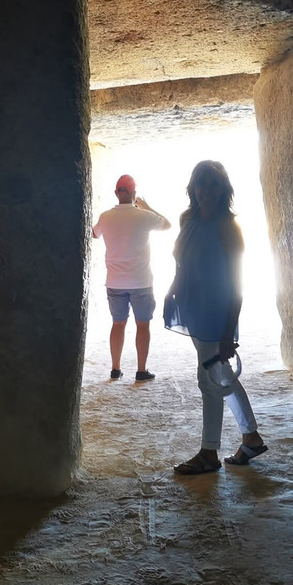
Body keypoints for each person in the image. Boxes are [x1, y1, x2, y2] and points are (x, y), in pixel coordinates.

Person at [163, 160, 267, 474]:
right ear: (193, 188)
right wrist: (170, 293)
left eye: (213, 185)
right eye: (202, 184)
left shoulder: (228, 227)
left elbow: (237, 283)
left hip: (215, 311)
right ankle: (251, 437)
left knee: (208, 380)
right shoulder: (187, 219)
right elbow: (181, 263)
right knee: (220, 375)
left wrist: (227, 332)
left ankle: (209, 452)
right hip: (193, 306)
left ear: (224, 190)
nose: (207, 191)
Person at [92, 174, 172, 381]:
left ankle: (115, 369)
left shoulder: (106, 216)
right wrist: (146, 206)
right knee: (142, 325)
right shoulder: (144, 216)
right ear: (134, 194)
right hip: (141, 282)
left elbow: (94, 233)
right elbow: (167, 225)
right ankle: (141, 370)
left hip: (115, 282)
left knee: (117, 324)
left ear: (116, 193)